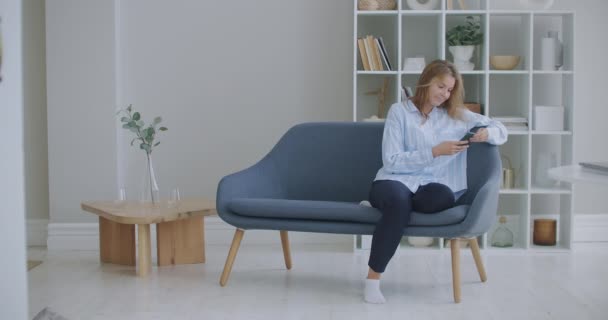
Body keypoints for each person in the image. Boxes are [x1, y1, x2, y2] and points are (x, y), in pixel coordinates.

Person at [364, 59, 507, 304]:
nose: (445, 94)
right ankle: (372, 280)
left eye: (450, 89)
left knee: (443, 197)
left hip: (426, 186)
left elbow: (499, 127)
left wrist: (487, 133)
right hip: (393, 180)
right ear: (426, 81)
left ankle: (385, 208)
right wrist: (434, 151)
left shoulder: (455, 115)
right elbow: (391, 161)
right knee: (398, 202)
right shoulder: (399, 111)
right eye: (441, 86)